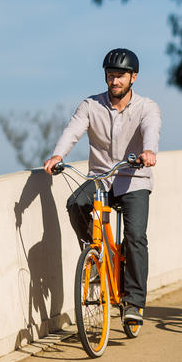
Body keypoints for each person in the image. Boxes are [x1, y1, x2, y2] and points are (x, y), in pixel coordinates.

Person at [44, 48, 161, 323]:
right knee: (76, 203)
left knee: (135, 237)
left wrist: (149, 152)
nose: (115, 81)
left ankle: (133, 302)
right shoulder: (90, 105)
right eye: (110, 76)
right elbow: (72, 131)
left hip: (134, 180)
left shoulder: (147, 107)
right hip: (100, 178)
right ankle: (95, 254)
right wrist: (58, 155)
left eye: (120, 76)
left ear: (134, 77)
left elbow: (151, 132)